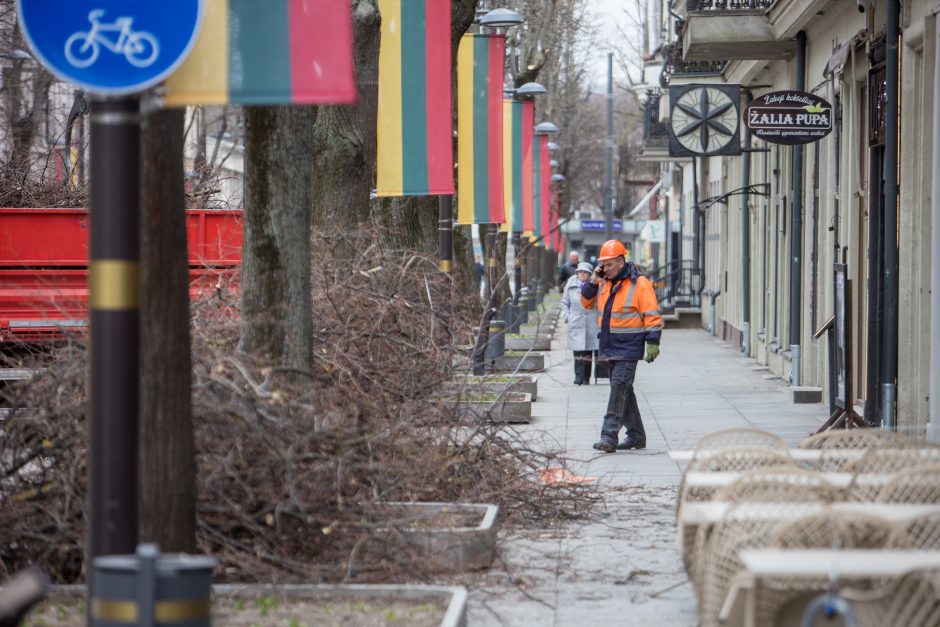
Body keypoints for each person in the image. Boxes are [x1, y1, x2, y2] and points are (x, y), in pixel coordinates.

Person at [580, 239, 662, 453]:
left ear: (620, 261)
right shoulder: (604, 282)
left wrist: (652, 342)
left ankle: (609, 436)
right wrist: (592, 281)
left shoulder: (639, 283)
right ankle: (636, 435)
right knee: (624, 390)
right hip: (608, 345)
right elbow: (585, 303)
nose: (604, 268)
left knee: (618, 388)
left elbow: (651, 313)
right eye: (602, 264)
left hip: (629, 347)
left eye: (608, 264)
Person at [560, 262, 599, 385]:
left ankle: (586, 377)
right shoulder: (570, 286)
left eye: (585, 272)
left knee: (588, 350)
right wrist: (567, 317)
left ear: (589, 274)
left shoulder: (595, 285)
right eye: (580, 272)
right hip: (575, 321)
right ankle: (578, 376)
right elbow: (564, 303)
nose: (582, 274)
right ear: (577, 273)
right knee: (577, 350)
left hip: (591, 322)